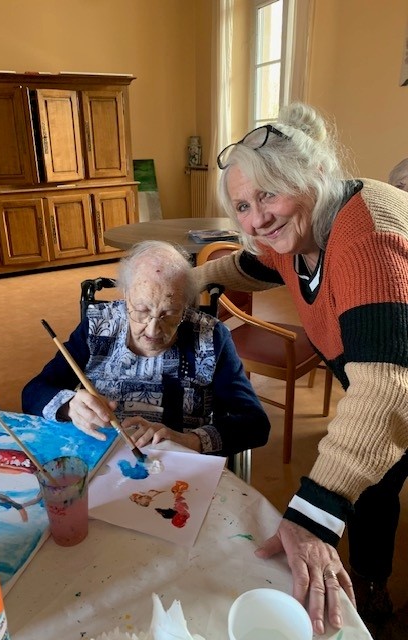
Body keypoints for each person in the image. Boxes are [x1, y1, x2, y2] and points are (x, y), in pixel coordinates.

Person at [193, 102, 408, 636]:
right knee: (374, 485)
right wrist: (193, 278)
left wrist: (313, 516)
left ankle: (372, 591)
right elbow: (254, 263)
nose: (256, 220)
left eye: (269, 194)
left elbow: (387, 391)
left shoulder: (365, 233)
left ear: (316, 174)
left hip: (399, 381)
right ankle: (373, 583)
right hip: (381, 379)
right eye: (243, 205)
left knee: (372, 477)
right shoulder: (300, 232)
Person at [22, 240, 270, 461]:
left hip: (178, 466)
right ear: (126, 295)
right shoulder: (98, 326)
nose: (152, 330)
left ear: (186, 304)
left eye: (169, 313)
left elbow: (255, 424)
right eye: (142, 310)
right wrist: (69, 405)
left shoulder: (211, 336)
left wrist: (187, 440)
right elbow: (33, 393)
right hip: (102, 461)